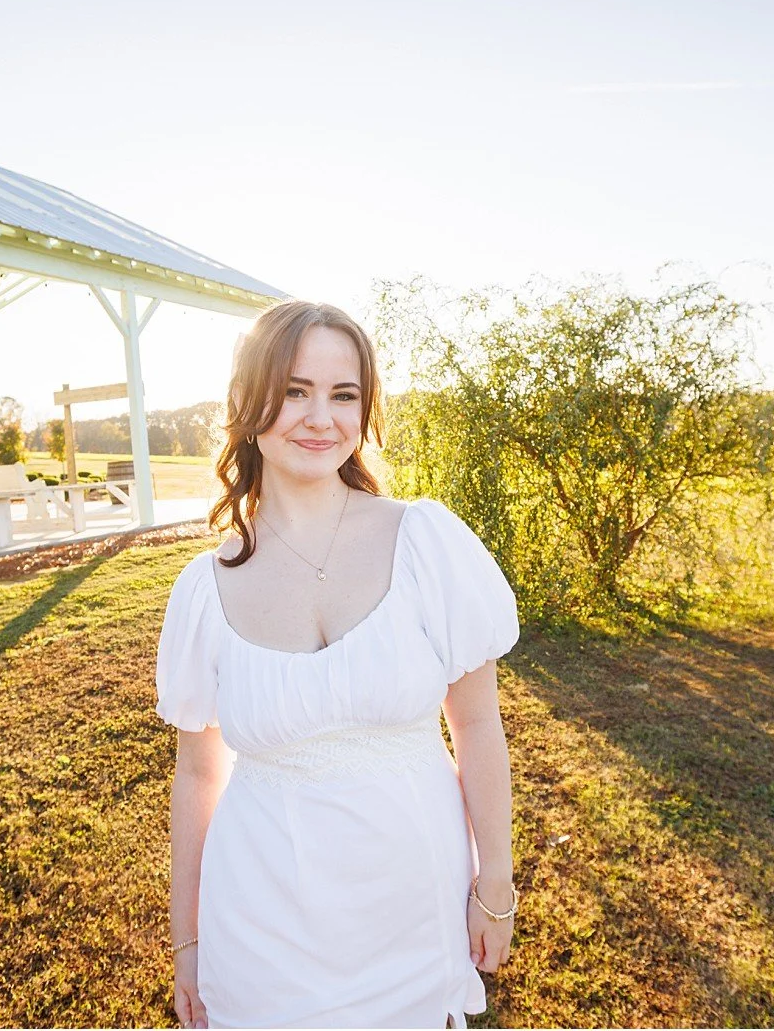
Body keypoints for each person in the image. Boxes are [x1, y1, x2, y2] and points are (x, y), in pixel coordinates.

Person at [156, 300, 521, 1029]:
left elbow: (478, 725)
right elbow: (197, 774)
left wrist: (496, 885)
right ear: (246, 401)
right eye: (295, 390)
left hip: (414, 901)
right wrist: (188, 942)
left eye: (343, 394)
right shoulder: (205, 589)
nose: (320, 417)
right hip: (260, 917)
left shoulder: (426, 542)